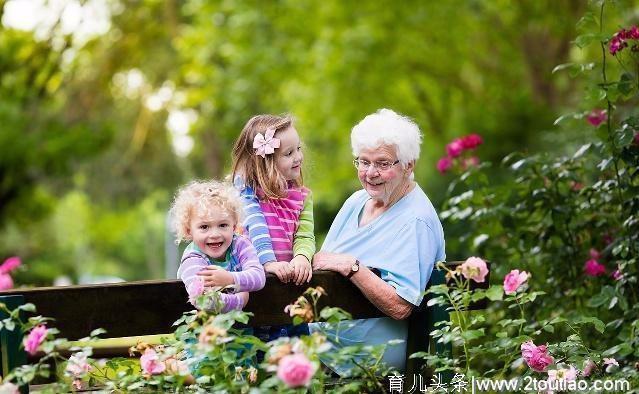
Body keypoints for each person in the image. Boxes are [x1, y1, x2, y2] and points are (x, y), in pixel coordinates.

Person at [310, 108, 446, 375]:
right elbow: (322, 262)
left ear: (409, 165)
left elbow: (400, 305)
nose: (370, 172)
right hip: (327, 349)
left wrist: (352, 267)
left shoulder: (416, 220)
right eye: (363, 161)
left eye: (383, 164)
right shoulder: (356, 202)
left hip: (373, 360)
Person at [230, 114, 315, 286]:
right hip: (250, 275)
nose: (298, 157)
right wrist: (268, 262)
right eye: (289, 153)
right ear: (265, 162)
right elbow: (255, 224)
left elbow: (304, 235)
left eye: (298, 148)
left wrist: (302, 257)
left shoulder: (303, 196)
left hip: (286, 276)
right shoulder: (248, 191)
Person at [171, 180, 266, 312]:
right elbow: (203, 300)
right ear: (189, 231)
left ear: (234, 226)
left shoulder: (240, 244)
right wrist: (239, 300)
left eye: (222, 225)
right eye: (204, 227)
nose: (215, 234)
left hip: (246, 328)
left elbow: (259, 277)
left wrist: (229, 279)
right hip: (210, 330)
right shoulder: (193, 259)